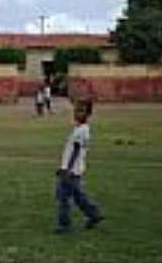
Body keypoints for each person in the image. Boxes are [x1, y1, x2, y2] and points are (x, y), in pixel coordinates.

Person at [54, 99, 103, 234]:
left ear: (88, 114)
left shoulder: (81, 131)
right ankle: (94, 214)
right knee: (78, 196)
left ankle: (64, 225)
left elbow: (75, 151)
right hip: (74, 170)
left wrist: (66, 170)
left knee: (63, 198)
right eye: (76, 110)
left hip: (71, 171)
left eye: (81, 111)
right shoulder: (81, 129)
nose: (77, 114)